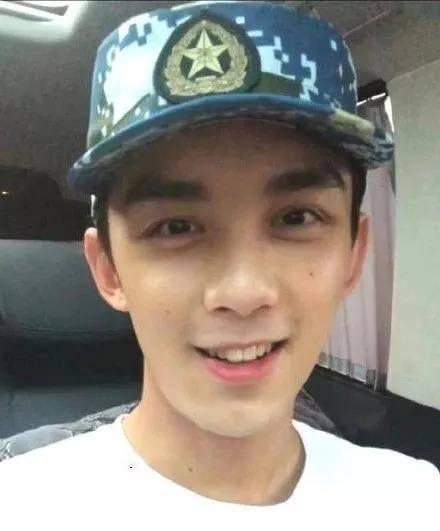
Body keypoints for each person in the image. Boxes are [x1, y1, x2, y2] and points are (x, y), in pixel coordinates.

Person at [1, 1, 438, 529]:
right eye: (176, 227)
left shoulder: (416, 500)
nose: (243, 291)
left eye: (296, 217)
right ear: (108, 271)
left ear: (353, 255)